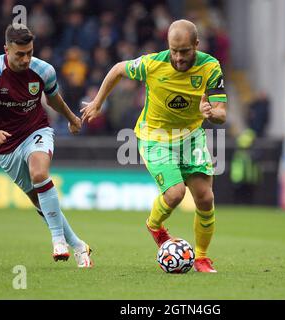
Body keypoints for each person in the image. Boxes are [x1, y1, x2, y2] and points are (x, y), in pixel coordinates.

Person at [81, 19, 227, 272]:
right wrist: (97, 102)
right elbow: (117, 69)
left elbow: (222, 112)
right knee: (175, 194)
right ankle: (154, 225)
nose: (179, 58)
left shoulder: (210, 66)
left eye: (185, 51)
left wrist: (210, 113)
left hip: (191, 136)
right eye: (174, 51)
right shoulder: (152, 64)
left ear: (196, 45)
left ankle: (202, 258)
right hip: (155, 136)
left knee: (205, 198)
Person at [0, 24, 93, 267]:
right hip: (5, 144)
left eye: (29, 53)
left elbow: (54, 100)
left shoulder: (44, 70)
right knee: (39, 199)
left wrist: (72, 118)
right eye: (19, 54)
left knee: (39, 173)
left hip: (36, 130)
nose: (25, 59)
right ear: (6, 50)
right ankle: (78, 245)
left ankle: (58, 241)